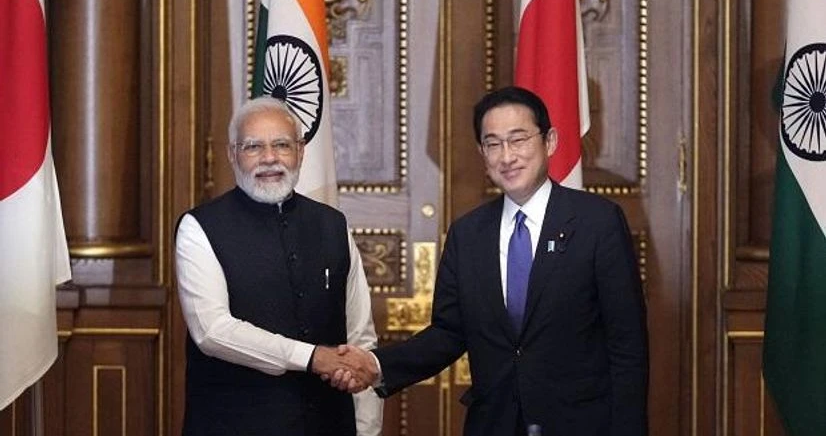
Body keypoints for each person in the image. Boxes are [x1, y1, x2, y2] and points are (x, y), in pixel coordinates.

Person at [333, 86, 649, 436]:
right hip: (494, 422)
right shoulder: (468, 234)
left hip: (581, 423)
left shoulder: (597, 222)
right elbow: (449, 333)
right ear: (482, 153)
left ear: (550, 142)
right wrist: (376, 364)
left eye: (518, 140)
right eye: (493, 144)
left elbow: (627, 344)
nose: (507, 156)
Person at [174, 96, 383, 436]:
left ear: (300, 152)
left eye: (282, 145)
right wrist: (313, 357)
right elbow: (212, 331)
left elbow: (360, 336)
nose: (269, 158)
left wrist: (367, 429)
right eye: (254, 146)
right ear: (232, 155)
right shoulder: (200, 228)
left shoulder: (332, 224)